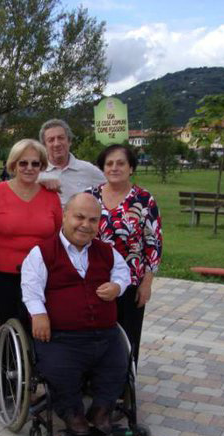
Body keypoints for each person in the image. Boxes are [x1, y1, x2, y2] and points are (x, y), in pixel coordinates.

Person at [21, 193, 131, 436]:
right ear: (64, 216)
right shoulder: (42, 252)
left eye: (93, 220)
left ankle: (101, 410)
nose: (85, 225)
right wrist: (38, 314)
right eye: (79, 217)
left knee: (117, 365)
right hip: (61, 336)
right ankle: (71, 412)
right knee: (61, 370)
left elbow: (123, 273)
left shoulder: (106, 251)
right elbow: (31, 287)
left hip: (105, 333)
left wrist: (117, 286)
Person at [86, 144, 162, 366]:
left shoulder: (144, 199)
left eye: (120, 163)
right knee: (93, 334)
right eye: (109, 163)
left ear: (131, 168)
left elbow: (154, 243)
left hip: (131, 281)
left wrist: (147, 283)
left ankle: (125, 380)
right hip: (94, 279)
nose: (114, 168)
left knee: (127, 336)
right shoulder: (90, 196)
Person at [0, 139, 62, 329]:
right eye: (23, 163)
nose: (29, 168)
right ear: (13, 165)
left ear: (42, 166)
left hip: (42, 275)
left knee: (39, 328)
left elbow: (60, 235)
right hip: (3, 275)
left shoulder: (51, 195)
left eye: (35, 163)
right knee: (9, 328)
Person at [38, 119, 106, 207]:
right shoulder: (36, 171)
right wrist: (38, 181)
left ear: (69, 141)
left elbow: (113, 189)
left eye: (61, 138)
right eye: (51, 140)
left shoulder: (88, 169)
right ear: (44, 146)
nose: (56, 144)